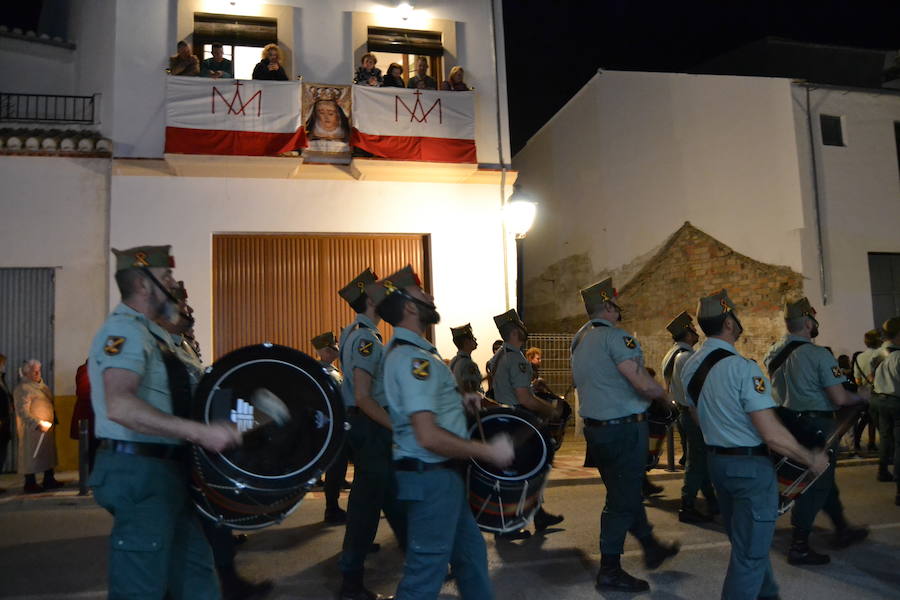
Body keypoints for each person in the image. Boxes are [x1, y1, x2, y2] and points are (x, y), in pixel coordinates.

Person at [87, 245, 242, 598]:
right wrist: (199, 433)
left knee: (197, 580)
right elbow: (120, 405)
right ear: (143, 283)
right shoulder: (124, 332)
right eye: (167, 277)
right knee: (141, 588)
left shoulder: (157, 337)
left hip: (169, 471)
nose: (174, 285)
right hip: (139, 472)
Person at [369, 265, 514, 600]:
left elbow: (426, 410)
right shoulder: (411, 360)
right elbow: (428, 436)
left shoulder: (419, 354)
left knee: (471, 557)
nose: (429, 296)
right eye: (421, 293)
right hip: (432, 478)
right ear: (408, 306)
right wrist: (488, 452)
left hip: (441, 478)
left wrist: (460, 402)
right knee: (425, 575)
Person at [681, 290, 829, 600]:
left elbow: (697, 416)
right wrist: (809, 458)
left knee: (748, 544)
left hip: (718, 464)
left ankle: (768, 595)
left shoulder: (691, 365)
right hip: (749, 469)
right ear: (729, 323)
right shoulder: (742, 368)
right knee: (748, 557)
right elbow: (771, 433)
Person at [157, 281, 273, 600]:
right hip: (177, 451)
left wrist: (241, 416)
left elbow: (208, 393)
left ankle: (229, 581)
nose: (188, 310)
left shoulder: (182, 345)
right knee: (183, 531)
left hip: (199, 450)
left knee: (214, 522)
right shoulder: (159, 348)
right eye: (182, 304)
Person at [570, 278, 680, 592]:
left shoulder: (579, 340)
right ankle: (610, 569)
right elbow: (639, 381)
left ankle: (650, 545)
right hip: (624, 429)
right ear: (607, 306)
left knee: (626, 490)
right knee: (621, 499)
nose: (619, 310)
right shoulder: (617, 338)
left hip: (596, 430)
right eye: (616, 305)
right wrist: (664, 398)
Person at [762, 297, 869, 566]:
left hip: (786, 422)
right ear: (809, 322)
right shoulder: (819, 354)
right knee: (815, 482)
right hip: (816, 426)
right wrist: (862, 396)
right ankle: (799, 545)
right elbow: (840, 398)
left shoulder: (773, 352)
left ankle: (842, 526)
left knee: (821, 478)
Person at [336, 268, 407, 600]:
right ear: (369, 300)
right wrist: (397, 426)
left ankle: (420, 556)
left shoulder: (356, 333)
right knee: (366, 506)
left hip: (372, 426)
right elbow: (364, 397)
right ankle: (350, 580)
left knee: (393, 494)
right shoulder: (365, 337)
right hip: (372, 426)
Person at [491, 308, 565, 536]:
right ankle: (508, 525)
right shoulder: (517, 359)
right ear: (515, 331)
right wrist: (550, 411)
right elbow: (524, 398)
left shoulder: (498, 356)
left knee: (522, 472)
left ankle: (538, 515)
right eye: (521, 325)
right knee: (524, 472)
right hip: (517, 421)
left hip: (504, 420)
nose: (525, 327)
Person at [660, 311, 718, 523]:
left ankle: (712, 501)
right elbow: (698, 388)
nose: (696, 334)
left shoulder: (671, 354)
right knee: (696, 461)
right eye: (692, 331)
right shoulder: (686, 356)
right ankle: (688, 504)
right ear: (686, 333)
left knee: (700, 459)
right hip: (692, 413)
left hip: (682, 412)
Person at [311, 330, 350, 525]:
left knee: (338, 467)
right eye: (334, 347)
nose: (337, 350)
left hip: (337, 424)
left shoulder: (331, 369)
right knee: (334, 468)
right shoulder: (323, 372)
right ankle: (331, 510)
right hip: (332, 426)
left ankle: (333, 506)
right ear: (325, 351)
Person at [13, 359, 62, 494]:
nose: (37, 373)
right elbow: (22, 411)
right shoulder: (23, 388)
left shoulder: (41, 386)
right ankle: (30, 483)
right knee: (30, 456)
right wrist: (36, 423)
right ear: (25, 373)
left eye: (38, 370)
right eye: (34, 371)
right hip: (32, 431)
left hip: (46, 429)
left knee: (47, 455)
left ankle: (49, 479)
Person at [872, 316, 900, 506]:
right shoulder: (898, 356)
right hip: (897, 402)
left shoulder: (878, 354)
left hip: (880, 400)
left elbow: (871, 376)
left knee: (885, 437)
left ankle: (882, 470)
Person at [69, 359, 99, 471]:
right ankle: (89, 477)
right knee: (90, 450)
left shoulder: (85, 370)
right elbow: (85, 393)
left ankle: (90, 476)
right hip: (89, 418)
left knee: (90, 449)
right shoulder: (87, 372)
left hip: (90, 418)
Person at [449, 324, 483, 394]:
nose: (475, 339)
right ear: (466, 342)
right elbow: (472, 392)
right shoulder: (468, 364)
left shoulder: (454, 361)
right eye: (472, 338)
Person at [0, 353, 12, 491]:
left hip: (4, 421)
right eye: (2, 363)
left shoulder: (2, 380)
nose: (4, 366)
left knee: (2, 452)